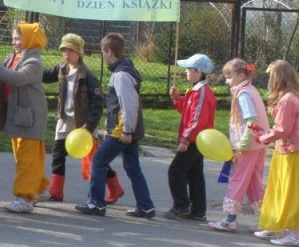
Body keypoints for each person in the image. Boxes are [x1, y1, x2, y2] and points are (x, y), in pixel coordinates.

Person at [76, 33, 155, 218]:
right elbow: (116, 106)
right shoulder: (123, 72)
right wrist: (109, 126)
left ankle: (96, 203)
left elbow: (128, 105)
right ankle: (146, 206)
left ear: (109, 52)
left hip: (122, 132)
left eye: (103, 52)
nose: (103, 56)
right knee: (133, 168)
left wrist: (126, 130)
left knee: (98, 161)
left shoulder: (121, 75)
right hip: (123, 130)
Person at [39, 33, 123, 203]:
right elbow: (43, 75)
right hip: (65, 120)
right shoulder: (61, 69)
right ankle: (56, 190)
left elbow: (98, 102)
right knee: (57, 154)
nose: (66, 54)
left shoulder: (87, 76)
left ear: (79, 53)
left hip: (83, 124)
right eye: (64, 50)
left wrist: (89, 126)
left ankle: (115, 187)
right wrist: (29, 67)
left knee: (94, 160)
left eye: (70, 50)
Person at [0, 21, 49, 214]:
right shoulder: (14, 57)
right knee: (26, 157)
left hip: (31, 117)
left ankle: (25, 198)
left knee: (26, 158)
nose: (14, 42)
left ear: (29, 40)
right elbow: (0, 70)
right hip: (19, 115)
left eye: (18, 39)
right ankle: (39, 189)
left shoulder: (34, 62)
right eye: (13, 38)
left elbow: (16, 78)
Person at [208, 59, 269, 233]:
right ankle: (265, 220)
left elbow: (251, 120)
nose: (226, 81)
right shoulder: (251, 90)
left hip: (246, 146)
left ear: (241, 76)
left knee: (238, 180)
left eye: (229, 77)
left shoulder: (243, 94)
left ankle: (230, 219)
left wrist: (242, 143)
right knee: (254, 183)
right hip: (258, 144)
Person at [163, 53, 217, 221]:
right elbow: (187, 111)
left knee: (175, 170)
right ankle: (198, 210)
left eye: (188, 69)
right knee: (194, 174)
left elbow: (197, 120)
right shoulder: (196, 91)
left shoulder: (201, 93)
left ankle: (181, 205)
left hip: (195, 139)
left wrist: (186, 139)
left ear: (198, 72)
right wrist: (176, 98)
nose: (186, 71)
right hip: (197, 138)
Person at [251, 60, 299, 246]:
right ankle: (275, 225)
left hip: (291, 151)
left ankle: (295, 233)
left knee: (289, 191)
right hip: (286, 149)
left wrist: (263, 137)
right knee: (280, 189)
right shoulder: (290, 97)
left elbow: (282, 129)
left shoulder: (288, 100)